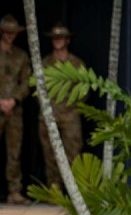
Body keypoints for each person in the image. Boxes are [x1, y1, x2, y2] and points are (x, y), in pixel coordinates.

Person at [39, 23, 85, 188]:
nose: (57, 41)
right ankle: (54, 189)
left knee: (73, 152)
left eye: (60, 38)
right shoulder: (44, 63)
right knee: (50, 154)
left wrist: (71, 107)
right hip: (49, 114)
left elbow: (84, 90)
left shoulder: (76, 64)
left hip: (70, 115)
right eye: (54, 38)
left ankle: (75, 192)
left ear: (67, 40)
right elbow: (37, 88)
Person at [0, 14, 31, 204]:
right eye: (7, 32)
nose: (10, 35)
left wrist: (13, 100)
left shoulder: (21, 56)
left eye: (14, 33)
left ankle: (14, 191)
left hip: (14, 110)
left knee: (14, 151)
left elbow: (26, 82)